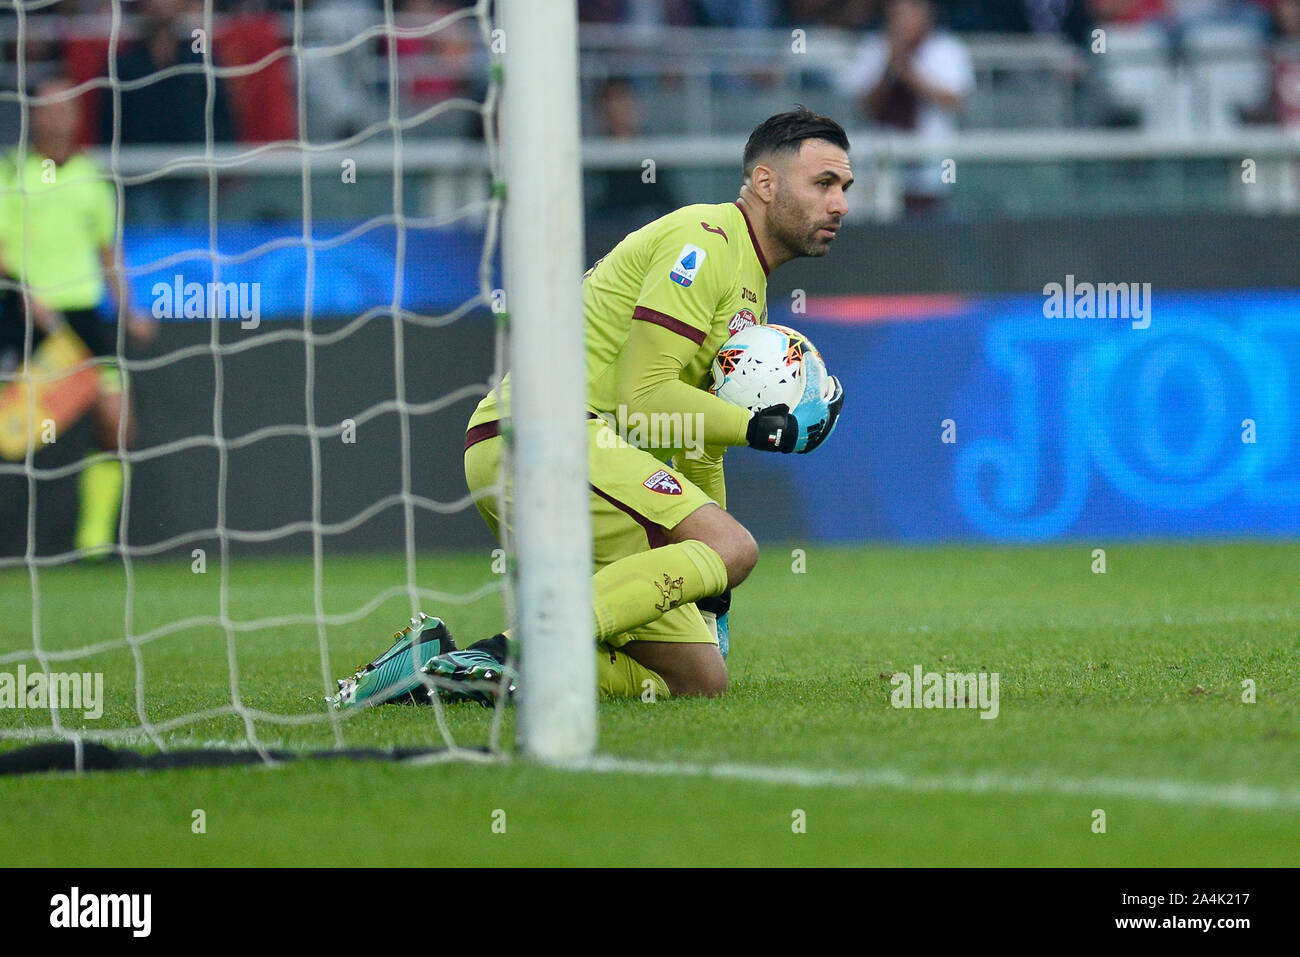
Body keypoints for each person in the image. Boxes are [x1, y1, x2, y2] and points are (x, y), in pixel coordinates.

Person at [332, 107, 850, 708]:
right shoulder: (704, 242)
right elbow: (644, 394)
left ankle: (439, 666)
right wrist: (766, 429)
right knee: (739, 548)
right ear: (765, 183)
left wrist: (713, 595)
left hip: (587, 462)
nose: (839, 203)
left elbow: (694, 444)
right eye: (823, 184)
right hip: (544, 434)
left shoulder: (748, 283)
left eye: (844, 188)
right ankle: (515, 649)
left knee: (696, 679)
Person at [0, 77, 156, 557]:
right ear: (33, 116)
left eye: (68, 107)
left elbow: (107, 251)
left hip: (82, 319)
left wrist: (129, 309)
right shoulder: (11, 175)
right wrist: (24, 289)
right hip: (21, 315)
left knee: (117, 423)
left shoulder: (91, 178)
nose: (60, 116)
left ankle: (93, 542)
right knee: (10, 432)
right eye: (49, 108)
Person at [841, 0, 971, 216]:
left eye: (908, 13)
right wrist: (888, 70)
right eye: (895, 15)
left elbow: (954, 100)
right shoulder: (875, 47)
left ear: (926, 14)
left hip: (929, 157)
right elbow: (863, 105)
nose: (901, 21)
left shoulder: (946, 48)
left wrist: (907, 72)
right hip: (882, 160)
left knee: (928, 225)